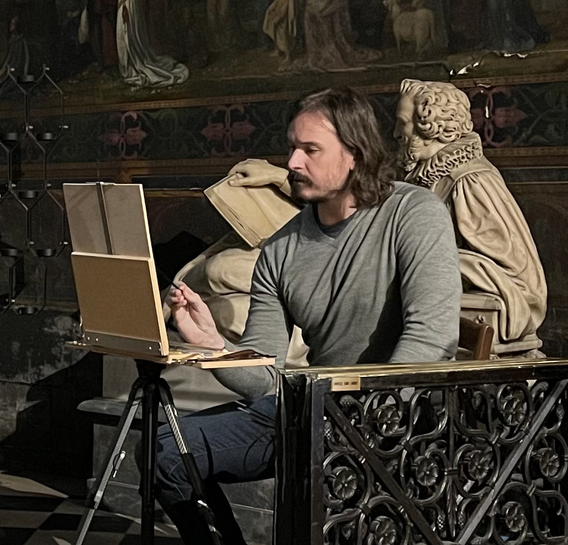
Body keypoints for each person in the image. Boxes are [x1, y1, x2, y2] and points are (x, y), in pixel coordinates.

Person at [156, 87, 461, 544]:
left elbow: (430, 340)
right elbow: (265, 375)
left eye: (310, 150)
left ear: (355, 153)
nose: (293, 162)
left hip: (400, 419)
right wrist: (213, 347)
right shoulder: (280, 249)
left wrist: (359, 421)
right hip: (310, 412)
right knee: (166, 452)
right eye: (292, 147)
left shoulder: (414, 214)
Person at [398, 79, 546, 355]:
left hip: (496, 314)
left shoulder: (469, 180)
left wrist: (418, 258)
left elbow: (509, 270)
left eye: (402, 123)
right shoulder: (430, 177)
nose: (396, 134)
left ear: (431, 126)